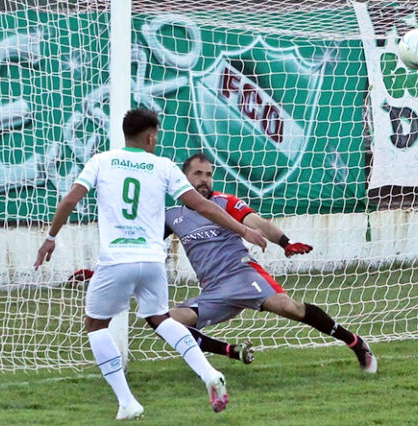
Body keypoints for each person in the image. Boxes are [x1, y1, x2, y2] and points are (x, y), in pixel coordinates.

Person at [34, 109, 268, 420]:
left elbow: (69, 201)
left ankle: (127, 402)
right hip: (152, 262)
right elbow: (202, 205)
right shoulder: (163, 166)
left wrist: (51, 237)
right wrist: (244, 230)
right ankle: (209, 373)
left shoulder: (101, 161)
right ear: (150, 136)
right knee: (161, 318)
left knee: (95, 325)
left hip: (117, 259)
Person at [163, 153, 377, 373]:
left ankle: (355, 342)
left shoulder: (224, 202)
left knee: (289, 307)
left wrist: (285, 242)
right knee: (167, 321)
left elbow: (255, 222)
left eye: (209, 174)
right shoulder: (172, 216)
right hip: (213, 291)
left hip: (242, 274)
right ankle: (231, 351)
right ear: (183, 177)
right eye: (197, 174)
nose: (204, 180)